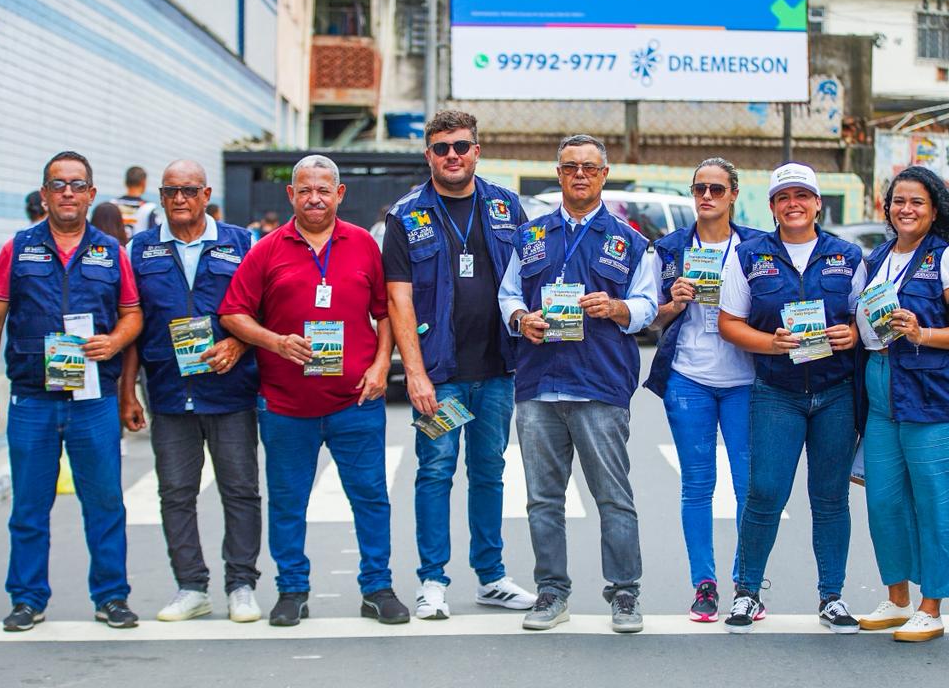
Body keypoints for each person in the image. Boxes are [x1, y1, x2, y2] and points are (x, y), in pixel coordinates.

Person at [219, 155, 408, 627]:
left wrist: (381, 366)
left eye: (323, 190)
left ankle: (377, 588)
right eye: (305, 190)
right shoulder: (266, 249)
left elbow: (385, 312)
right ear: (291, 195)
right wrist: (275, 342)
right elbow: (233, 313)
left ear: (339, 194)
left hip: (355, 402)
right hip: (286, 406)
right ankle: (292, 590)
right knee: (288, 503)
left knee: (370, 499)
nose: (314, 199)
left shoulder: (363, 244)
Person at [0, 151, 143, 631]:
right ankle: (27, 598)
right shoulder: (17, 248)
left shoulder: (111, 252)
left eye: (77, 184)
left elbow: (133, 315)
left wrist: (114, 340)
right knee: (29, 507)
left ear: (91, 194)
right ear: (44, 195)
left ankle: (111, 596)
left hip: (93, 399)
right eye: (58, 184)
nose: (68, 192)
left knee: (105, 504)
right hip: (32, 399)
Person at [498, 134, 658, 633]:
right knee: (543, 500)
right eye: (570, 167)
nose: (580, 175)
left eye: (590, 167)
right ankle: (551, 593)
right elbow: (507, 295)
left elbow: (648, 306)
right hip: (539, 386)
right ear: (559, 174)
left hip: (599, 386)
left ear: (604, 175)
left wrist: (616, 307)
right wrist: (520, 318)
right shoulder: (529, 236)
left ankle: (625, 593)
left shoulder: (629, 241)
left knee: (613, 497)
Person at [383, 110, 535, 619]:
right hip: (440, 378)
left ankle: (491, 577)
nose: (453, 156)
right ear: (428, 154)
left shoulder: (505, 206)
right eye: (442, 147)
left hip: (497, 373)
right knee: (436, 472)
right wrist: (415, 373)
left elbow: (530, 279)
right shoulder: (406, 216)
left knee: (490, 472)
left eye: (462, 146)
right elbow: (398, 301)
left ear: (477, 151)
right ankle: (432, 580)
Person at [852, 165, 949, 642]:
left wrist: (924, 333)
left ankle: (931, 605)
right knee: (884, 500)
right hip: (882, 391)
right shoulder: (878, 257)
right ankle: (897, 599)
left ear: (935, 210)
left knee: (938, 501)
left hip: (936, 396)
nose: (906, 209)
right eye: (898, 201)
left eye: (917, 202)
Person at [717, 163, 864, 635]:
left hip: (835, 393)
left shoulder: (848, 256)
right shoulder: (749, 256)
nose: (793, 204)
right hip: (776, 392)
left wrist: (852, 334)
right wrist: (770, 343)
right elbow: (728, 322)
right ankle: (747, 592)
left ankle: (832, 596)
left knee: (830, 497)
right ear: (773, 206)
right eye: (784, 197)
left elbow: (866, 320)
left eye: (802, 195)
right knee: (764, 493)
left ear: (818, 203)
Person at [120, 160, 263, 623]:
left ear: (206, 195)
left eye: (189, 190)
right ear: (160, 197)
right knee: (175, 494)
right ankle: (191, 587)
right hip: (168, 392)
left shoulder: (242, 243)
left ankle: (241, 584)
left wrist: (239, 343)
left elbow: (266, 310)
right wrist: (128, 392)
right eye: (171, 191)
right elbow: (132, 324)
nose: (179, 199)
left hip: (230, 392)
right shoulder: (139, 249)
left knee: (240, 491)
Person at [645, 157, 764, 622]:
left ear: (734, 194)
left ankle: (746, 584)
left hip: (746, 380)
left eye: (717, 189)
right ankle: (704, 585)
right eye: (700, 189)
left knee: (749, 486)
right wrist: (672, 304)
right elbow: (649, 318)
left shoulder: (757, 246)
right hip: (688, 377)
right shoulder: (669, 248)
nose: (707, 197)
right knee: (697, 484)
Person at [115, 165, 161, 235]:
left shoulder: (112, 204)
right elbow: (157, 235)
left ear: (125, 182)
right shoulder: (149, 208)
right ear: (143, 183)